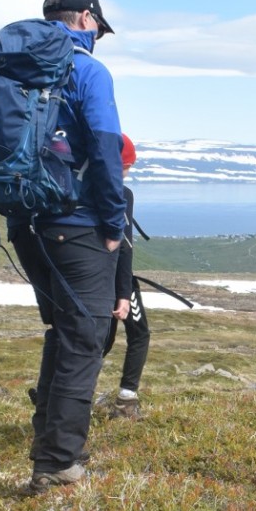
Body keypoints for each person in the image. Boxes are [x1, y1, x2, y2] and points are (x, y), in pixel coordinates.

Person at [5, 0, 126, 493]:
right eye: (98, 27)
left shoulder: (12, 67)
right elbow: (104, 148)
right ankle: (56, 463)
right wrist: (114, 224)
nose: (98, 36)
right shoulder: (88, 70)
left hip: (24, 223)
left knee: (62, 333)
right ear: (85, 19)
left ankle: (52, 445)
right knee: (84, 340)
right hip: (75, 224)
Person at [103, 133, 150, 420]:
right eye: (127, 166)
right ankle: (126, 401)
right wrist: (123, 292)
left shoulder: (77, 187)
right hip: (115, 280)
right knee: (139, 335)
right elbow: (124, 247)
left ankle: (60, 395)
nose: (128, 172)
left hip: (84, 278)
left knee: (98, 341)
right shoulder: (121, 194)